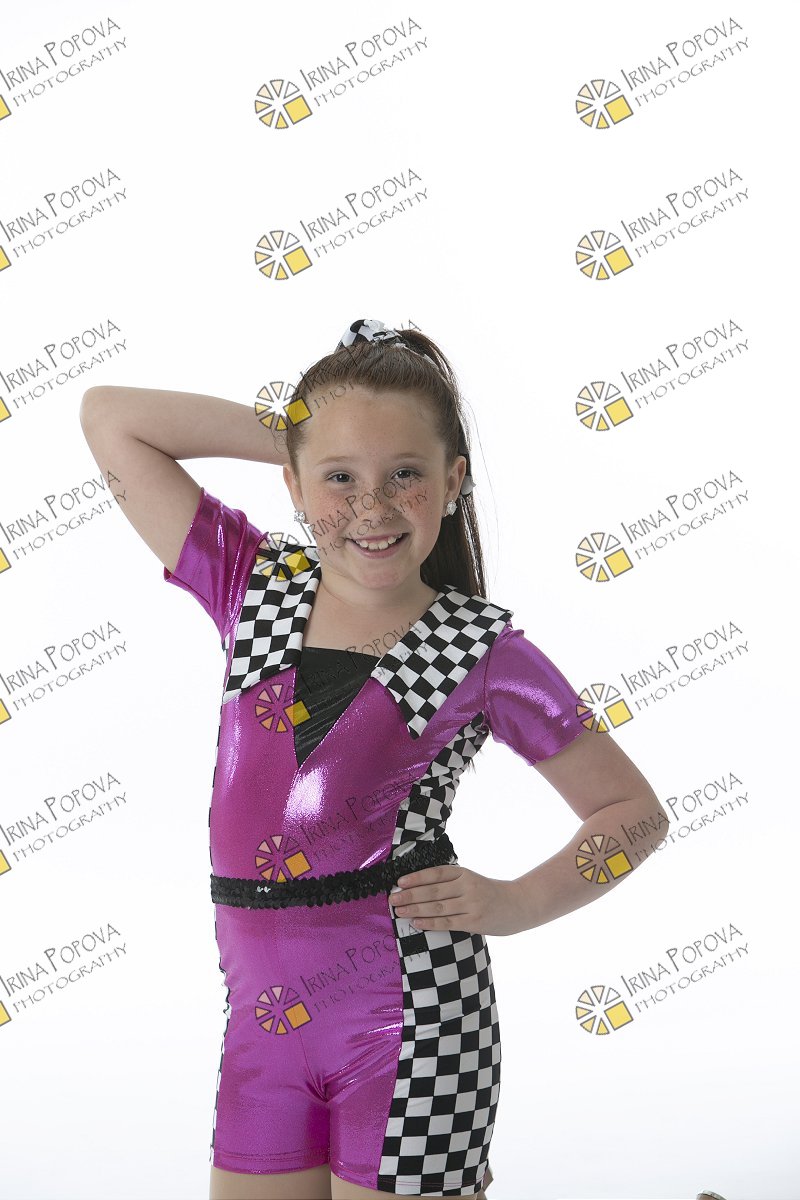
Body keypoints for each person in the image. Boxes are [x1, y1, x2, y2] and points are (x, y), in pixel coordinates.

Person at [79, 319, 670, 1200]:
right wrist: (301, 435)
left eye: (405, 474)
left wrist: (513, 903)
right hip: (265, 1030)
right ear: (293, 483)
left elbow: (634, 816)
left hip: (415, 1024)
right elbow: (110, 418)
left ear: (452, 482)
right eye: (340, 477)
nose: (372, 505)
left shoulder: (482, 651)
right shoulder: (255, 584)